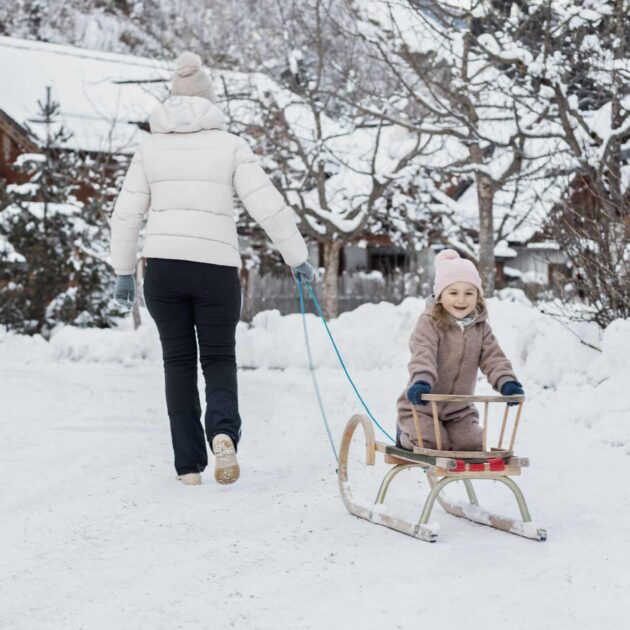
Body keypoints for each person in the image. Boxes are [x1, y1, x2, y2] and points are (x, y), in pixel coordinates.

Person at [109, 52, 315, 485]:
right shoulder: (230, 145)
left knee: (177, 362)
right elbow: (268, 206)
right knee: (219, 357)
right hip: (216, 269)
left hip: (162, 269)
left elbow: (126, 215)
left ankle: (188, 467)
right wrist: (297, 258)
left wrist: (124, 271)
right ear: (210, 101)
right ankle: (223, 434)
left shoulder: (149, 148)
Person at [396, 249, 524, 451]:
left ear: (478, 297)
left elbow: (494, 358)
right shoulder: (429, 323)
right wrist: (421, 380)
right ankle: (405, 435)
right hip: (423, 405)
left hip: (459, 409)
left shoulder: (480, 328)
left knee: (472, 445)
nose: (461, 300)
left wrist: (506, 382)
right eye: (453, 293)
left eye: (469, 293)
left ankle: (452, 435)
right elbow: (423, 353)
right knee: (432, 443)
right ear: (440, 295)